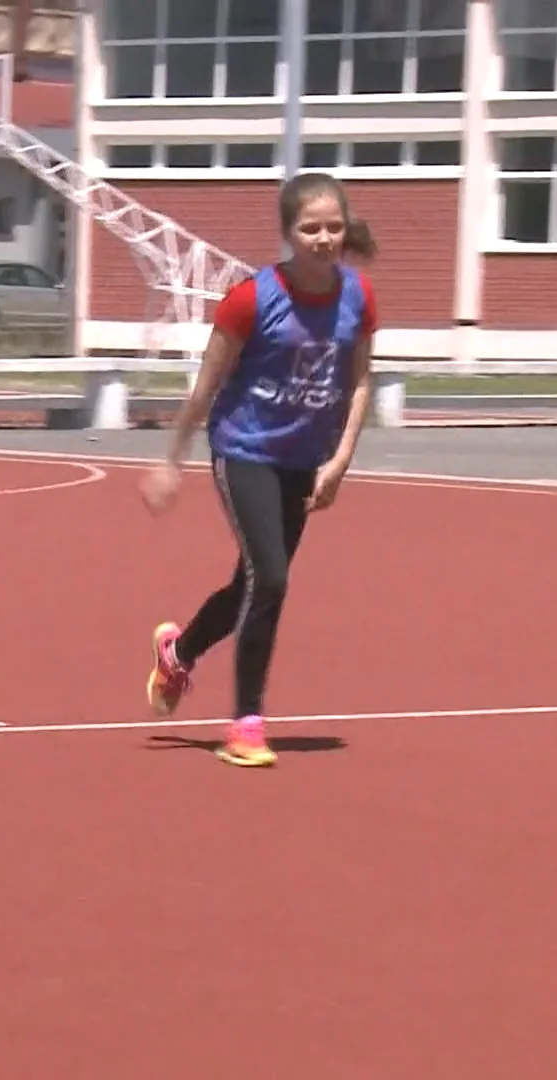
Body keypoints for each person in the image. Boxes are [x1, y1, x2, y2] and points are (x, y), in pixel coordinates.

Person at [138, 172, 378, 768]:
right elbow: (207, 386)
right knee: (270, 577)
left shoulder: (358, 298)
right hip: (244, 450)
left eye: (333, 227)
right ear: (288, 234)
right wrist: (173, 461)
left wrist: (341, 460)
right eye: (310, 228)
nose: (323, 238)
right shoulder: (253, 299)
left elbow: (360, 381)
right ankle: (246, 724)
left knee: (251, 583)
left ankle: (179, 651)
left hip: (305, 459)